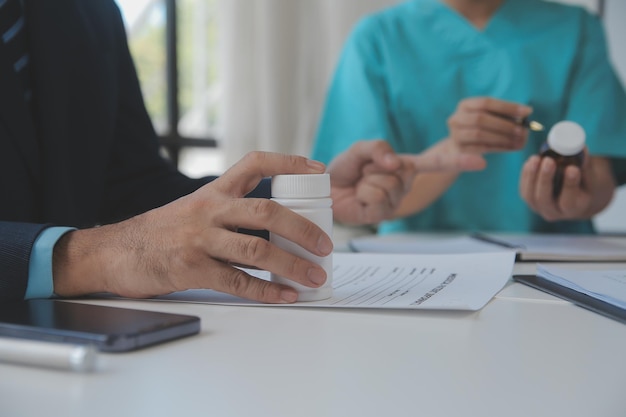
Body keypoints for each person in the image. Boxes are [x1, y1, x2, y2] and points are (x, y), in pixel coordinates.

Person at [0, 0, 485, 303]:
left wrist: (298, 199)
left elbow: (130, 185)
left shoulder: (86, 11)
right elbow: (118, 243)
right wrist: (88, 257)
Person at [312, 0, 626, 236]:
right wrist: (453, 150)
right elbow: (362, 195)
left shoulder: (576, 30)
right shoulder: (377, 39)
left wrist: (577, 198)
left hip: (555, 266)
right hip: (418, 267)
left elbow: (600, 174)